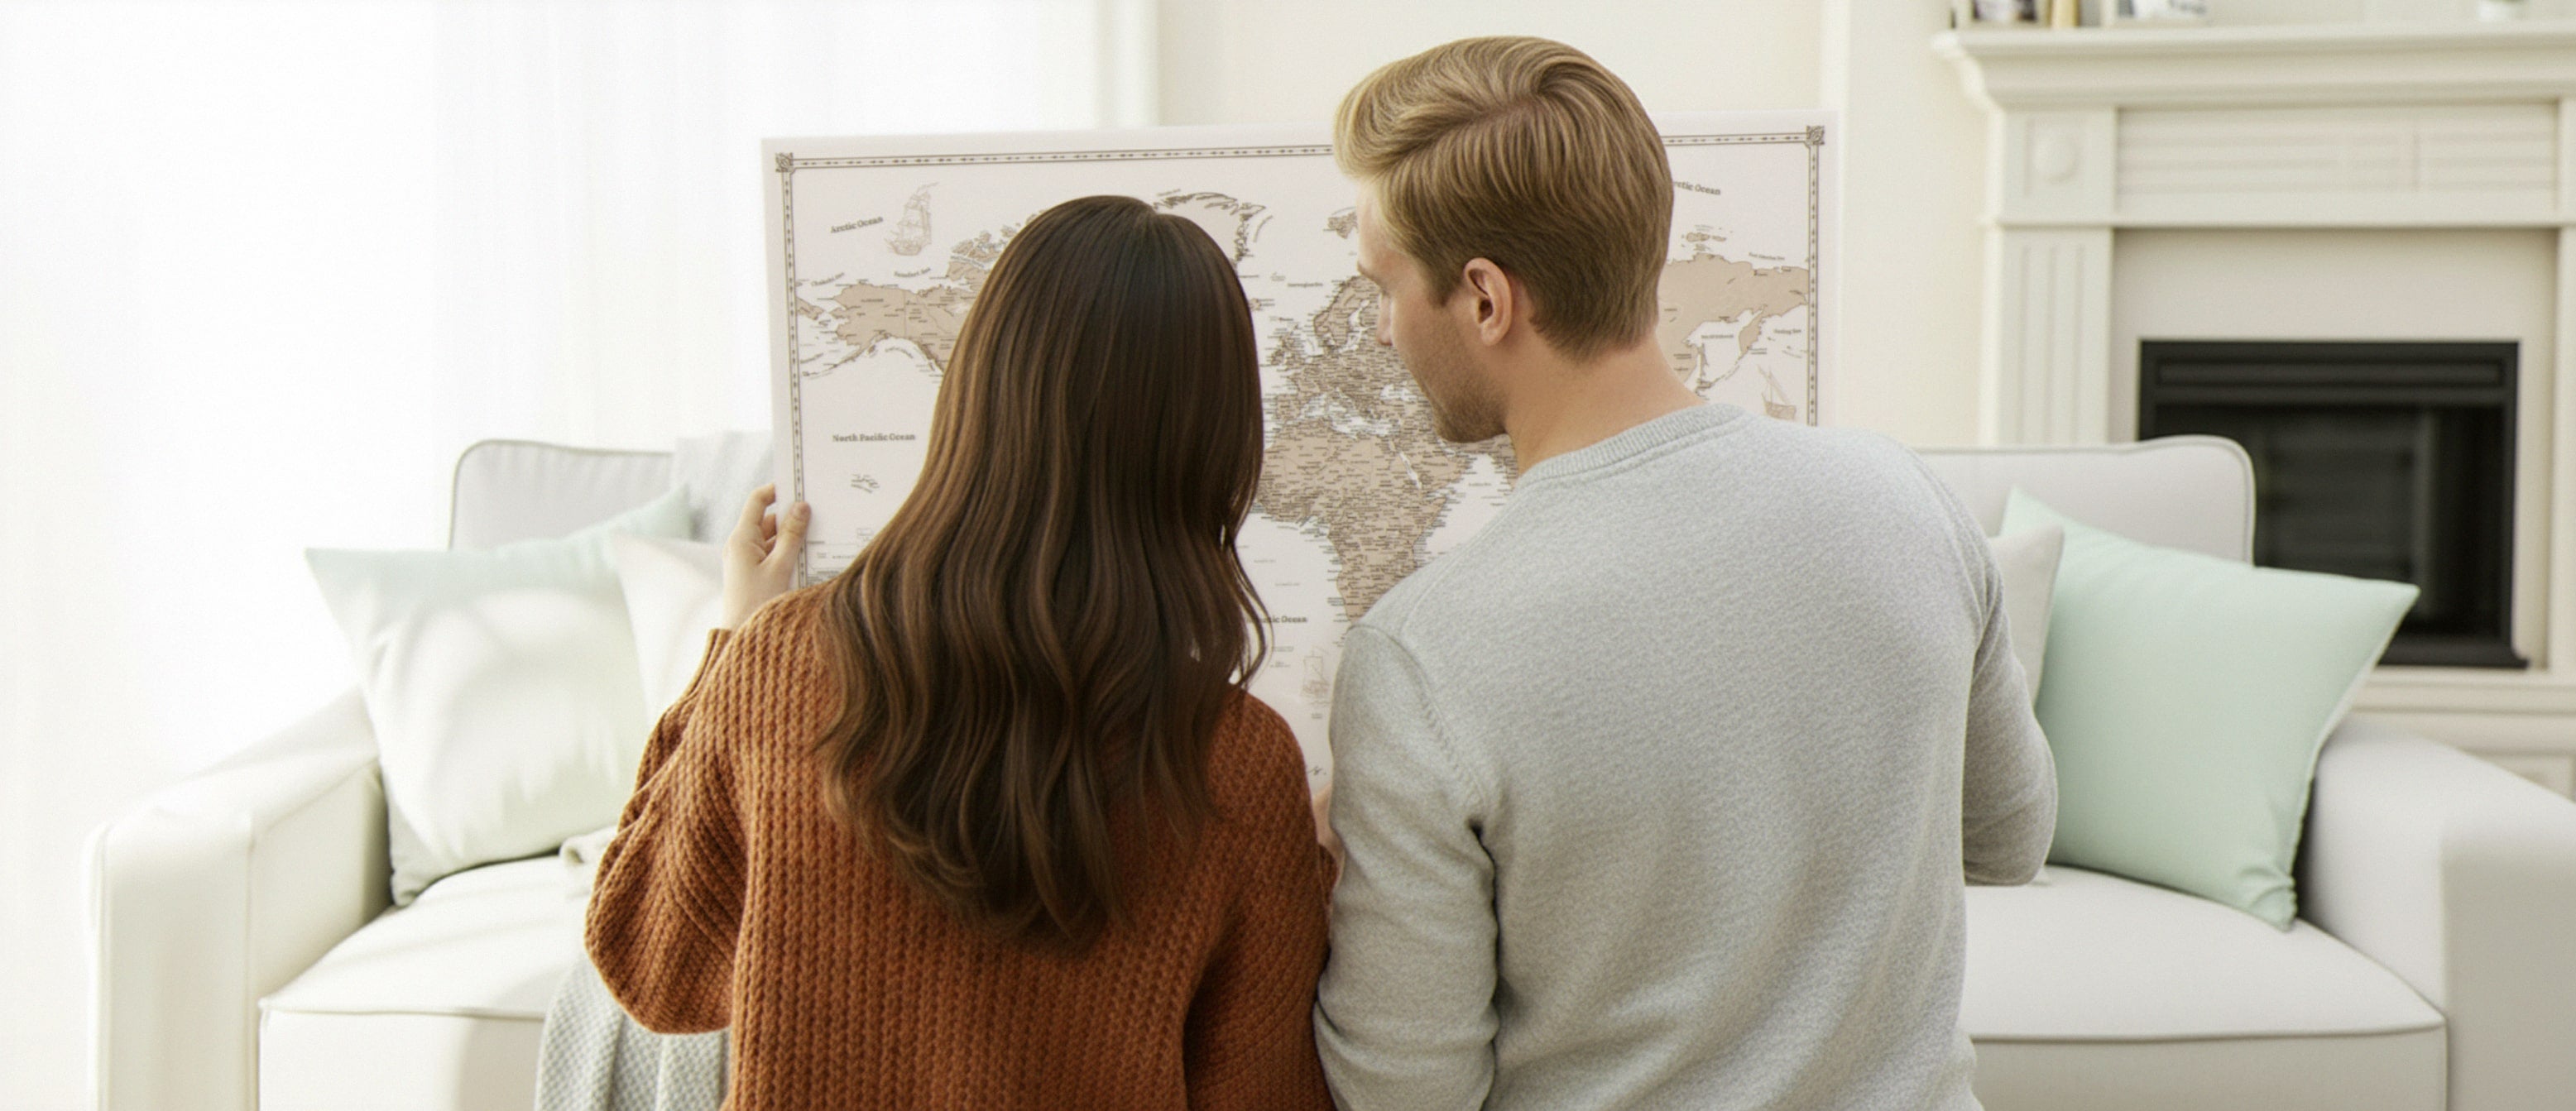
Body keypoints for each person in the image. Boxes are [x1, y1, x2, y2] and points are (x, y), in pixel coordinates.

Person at [1310, 37, 2057, 1110]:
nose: (1384, 330)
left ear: (1484, 299)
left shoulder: (1423, 654)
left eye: (1385, 286)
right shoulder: (1909, 497)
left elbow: (1406, 1095)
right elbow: (2012, 835)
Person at [586, 194, 1336, 1110]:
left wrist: (735, 647)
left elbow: (652, 968)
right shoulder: (1240, 764)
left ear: (974, 393)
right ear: (1215, 446)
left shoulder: (774, 663)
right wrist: (1311, 877)